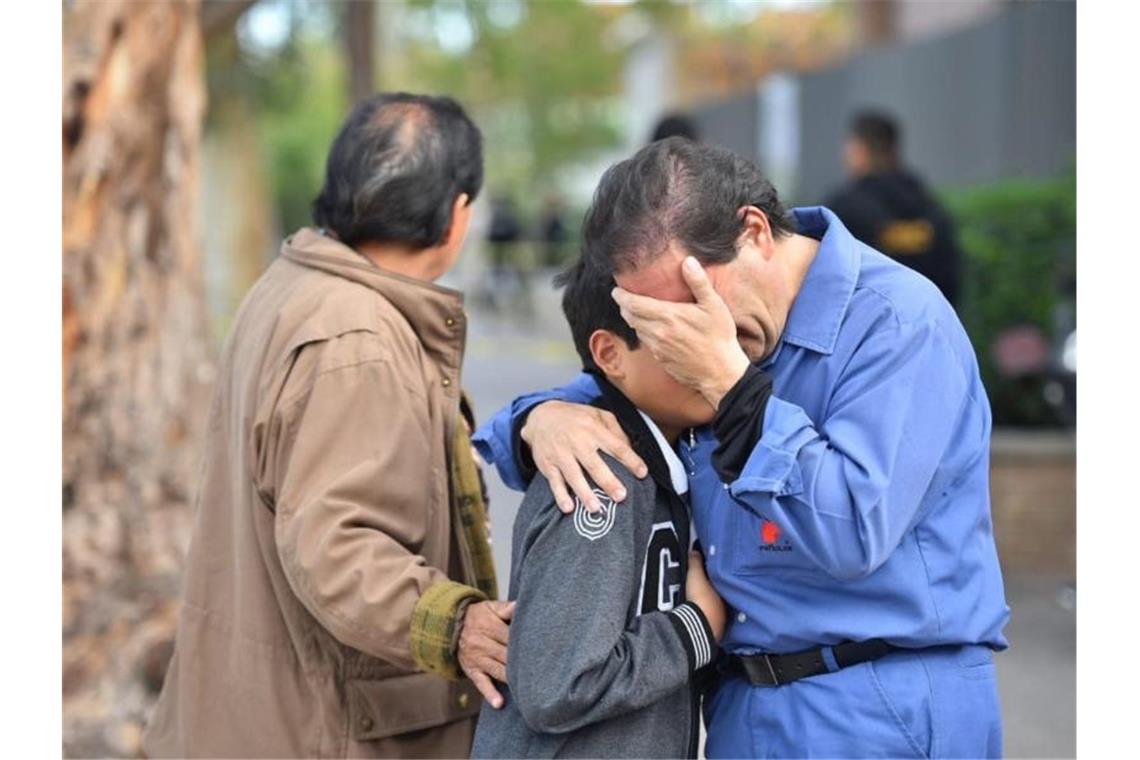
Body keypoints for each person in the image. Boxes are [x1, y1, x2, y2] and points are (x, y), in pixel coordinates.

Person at [474, 138, 1009, 758]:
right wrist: (538, 418)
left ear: (753, 232)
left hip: (878, 703)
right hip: (742, 707)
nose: (684, 342)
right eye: (659, 327)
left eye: (693, 308)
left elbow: (852, 531)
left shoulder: (897, 325)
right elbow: (603, 399)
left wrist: (732, 387)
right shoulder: (696, 343)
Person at [144, 93, 511, 759]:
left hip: (254, 716)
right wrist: (453, 623)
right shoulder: (357, 339)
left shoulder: (291, 287)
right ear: (458, 216)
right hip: (316, 732)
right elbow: (335, 545)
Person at [472, 260, 725, 758]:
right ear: (610, 352)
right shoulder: (601, 473)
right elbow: (556, 684)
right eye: (678, 333)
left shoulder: (663, 461)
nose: (712, 352)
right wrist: (697, 627)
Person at [826, 109, 962, 307]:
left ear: (859, 151)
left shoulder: (844, 208)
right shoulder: (930, 206)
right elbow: (952, 278)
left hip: (868, 324)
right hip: (927, 320)